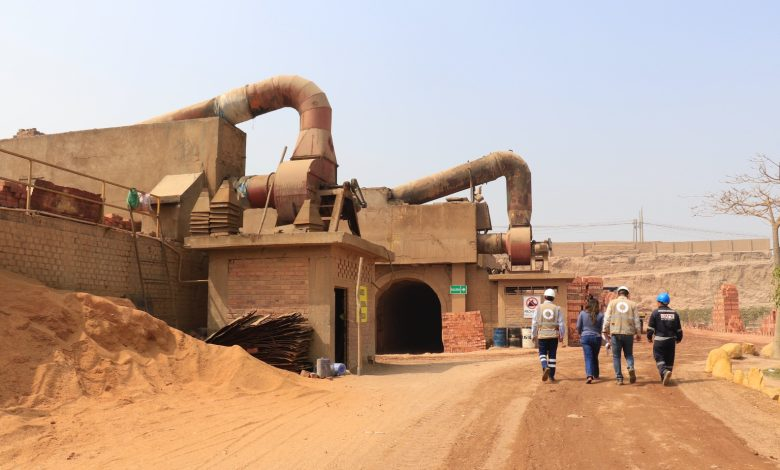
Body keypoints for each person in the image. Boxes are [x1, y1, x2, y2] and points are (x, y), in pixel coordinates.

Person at [602, 286, 641, 385]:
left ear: (618, 293)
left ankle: (619, 378)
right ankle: (631, 367)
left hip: (615, 333)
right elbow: (637, 320)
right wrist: (638, 333)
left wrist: (604, 330)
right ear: (627, 294)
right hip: (628, 334)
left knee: (616, 356)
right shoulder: (633, 304)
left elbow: (607, 318)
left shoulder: (612, 303)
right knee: (628, 354)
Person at [647, 292, 683, 385]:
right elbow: (678, 329)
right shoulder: (674, 313)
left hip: (659, 340)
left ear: (659, 302)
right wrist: (679, 338)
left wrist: (649, 337)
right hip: (671, 340)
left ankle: (664, 372)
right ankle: (665, 377)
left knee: (659, 357)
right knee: (669, 358)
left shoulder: (655, 313)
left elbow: (651, 328)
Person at [532, 288, 566, 382]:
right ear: (553, 298)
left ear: (545, 296)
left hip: (542, 336)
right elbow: (561, 324)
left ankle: (544, 366)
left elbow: (534, 323)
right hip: (553, 336)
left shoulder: (538, 308)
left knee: (542, 353)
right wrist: (561, 335)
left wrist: (533, 334)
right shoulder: (557, 308)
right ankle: (551, 376)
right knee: (552, 356)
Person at [576, 296, 604, 383]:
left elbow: (578, 326)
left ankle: (589, 375)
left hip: (585, 337)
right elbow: (603, 327)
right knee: (595, 356)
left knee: (588, 357)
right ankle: (596, 374)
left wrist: (580, 333)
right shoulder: (601, 315)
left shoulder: (582, 313)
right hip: (597, 337)